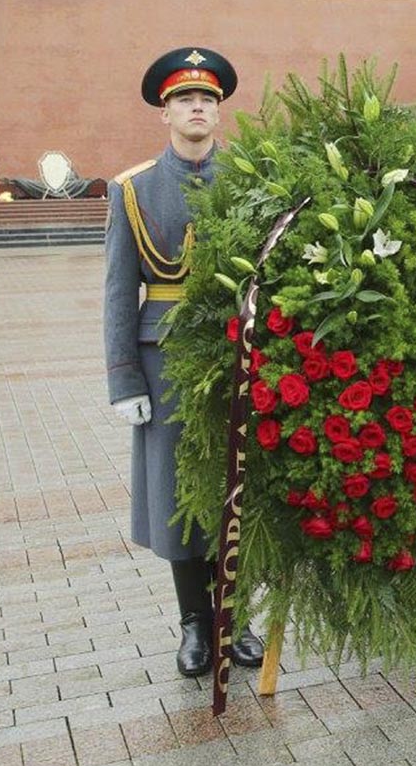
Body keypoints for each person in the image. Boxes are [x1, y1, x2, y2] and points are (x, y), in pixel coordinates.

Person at [104, 47, 264, 676]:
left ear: (218, 113)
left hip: (239, 351)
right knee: (178, 493)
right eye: (185, 100)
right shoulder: (134, 187)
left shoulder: (251, 178)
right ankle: (196, 624)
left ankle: (238, 617)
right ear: (165, 113)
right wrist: (123, 379)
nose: (197, 108)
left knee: (241, 484)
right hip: (164, 359)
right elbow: (120, 288)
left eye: (208, 100)